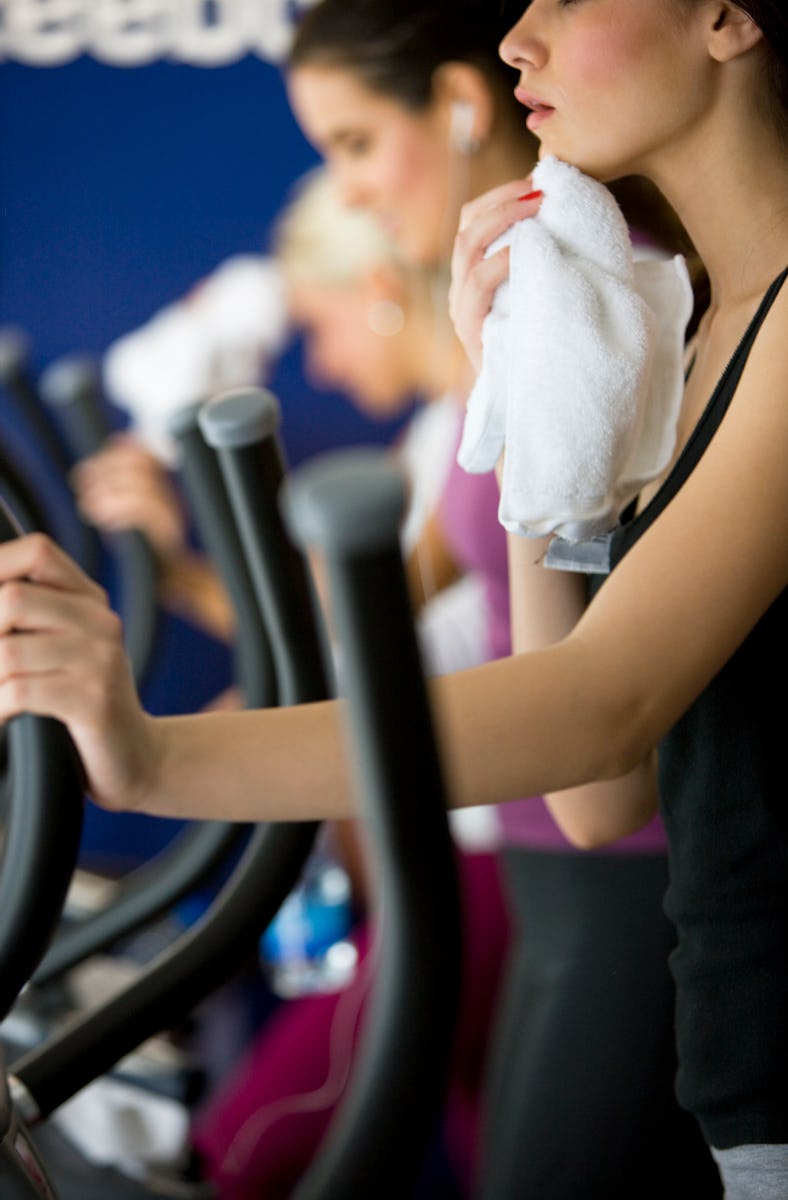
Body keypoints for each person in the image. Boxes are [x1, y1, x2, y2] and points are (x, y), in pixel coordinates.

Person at [0, 2, 784, 1198]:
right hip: (732, 1060)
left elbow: (597, 703)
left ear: (724, 16)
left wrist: (159, 759)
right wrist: (519, 397)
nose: (519, 36)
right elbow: (593, 795)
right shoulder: (693, 329)